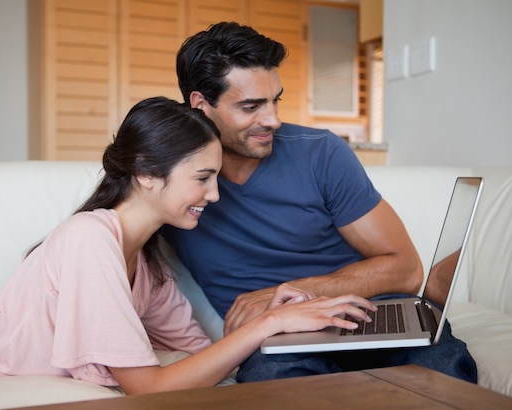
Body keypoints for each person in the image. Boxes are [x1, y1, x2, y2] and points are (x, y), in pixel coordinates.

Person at [0, 96, 377, 393]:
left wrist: (277, 305)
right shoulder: (90, 239)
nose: (215, 194)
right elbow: (148, 388)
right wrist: (273, 322)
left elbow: (202, 359)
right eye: (203, 178)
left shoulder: (148, 264)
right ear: (146, 174)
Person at [163, 22, 478, 383]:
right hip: (280, 340)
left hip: (366, 311)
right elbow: (107, 238)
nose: (273, 120)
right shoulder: (168, 178)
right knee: (276, 386)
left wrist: (286, 296)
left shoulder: (320, 153)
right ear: (201, 104)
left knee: (440, 373)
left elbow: (406, 269)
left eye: (275, 100)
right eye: (251, 106)